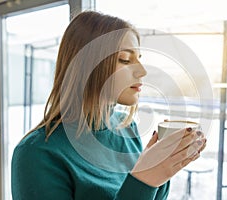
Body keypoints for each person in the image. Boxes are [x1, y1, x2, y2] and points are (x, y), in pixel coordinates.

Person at [11, 11, 207, 200]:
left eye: (139, 59)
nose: (142, 71)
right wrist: (145, 178)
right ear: (87, 66)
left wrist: (161, 170)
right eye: (124, 59)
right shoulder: (36, 154)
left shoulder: (127, 128)